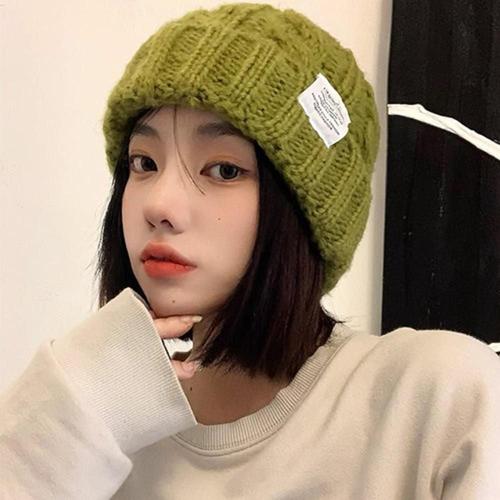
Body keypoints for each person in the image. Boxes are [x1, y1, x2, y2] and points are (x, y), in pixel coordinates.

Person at [1, 3, 499, 499]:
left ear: (303, 213)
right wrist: (54, 422)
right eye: (143, 162)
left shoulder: (439, 403)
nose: (158, 205)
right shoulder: (96, 433)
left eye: (224, 169)